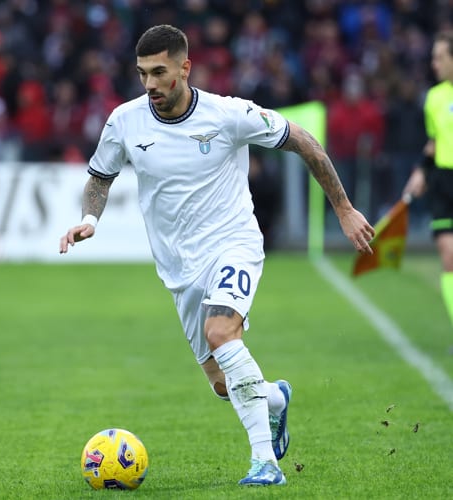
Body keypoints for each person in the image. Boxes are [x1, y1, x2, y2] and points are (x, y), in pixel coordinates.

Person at [58, 25, 375, 487]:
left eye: (159, 72)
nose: (149, 84)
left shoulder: (229, 115)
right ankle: (275, 400)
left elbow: (302, 140)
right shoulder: (124, 121)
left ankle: (265, 463)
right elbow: (101, 177)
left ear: (185, 68)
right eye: (142, 73)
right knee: (224, 385)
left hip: (234, 244)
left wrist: (344, 209)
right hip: (178, 269)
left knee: (222, 331)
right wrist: (91, 218)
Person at [403, 30, 453, 328]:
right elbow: (434, 142)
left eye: (440, 57)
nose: (434, 63)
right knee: (449, 256)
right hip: (443, 183)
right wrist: (421, 171)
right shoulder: (434, 97)